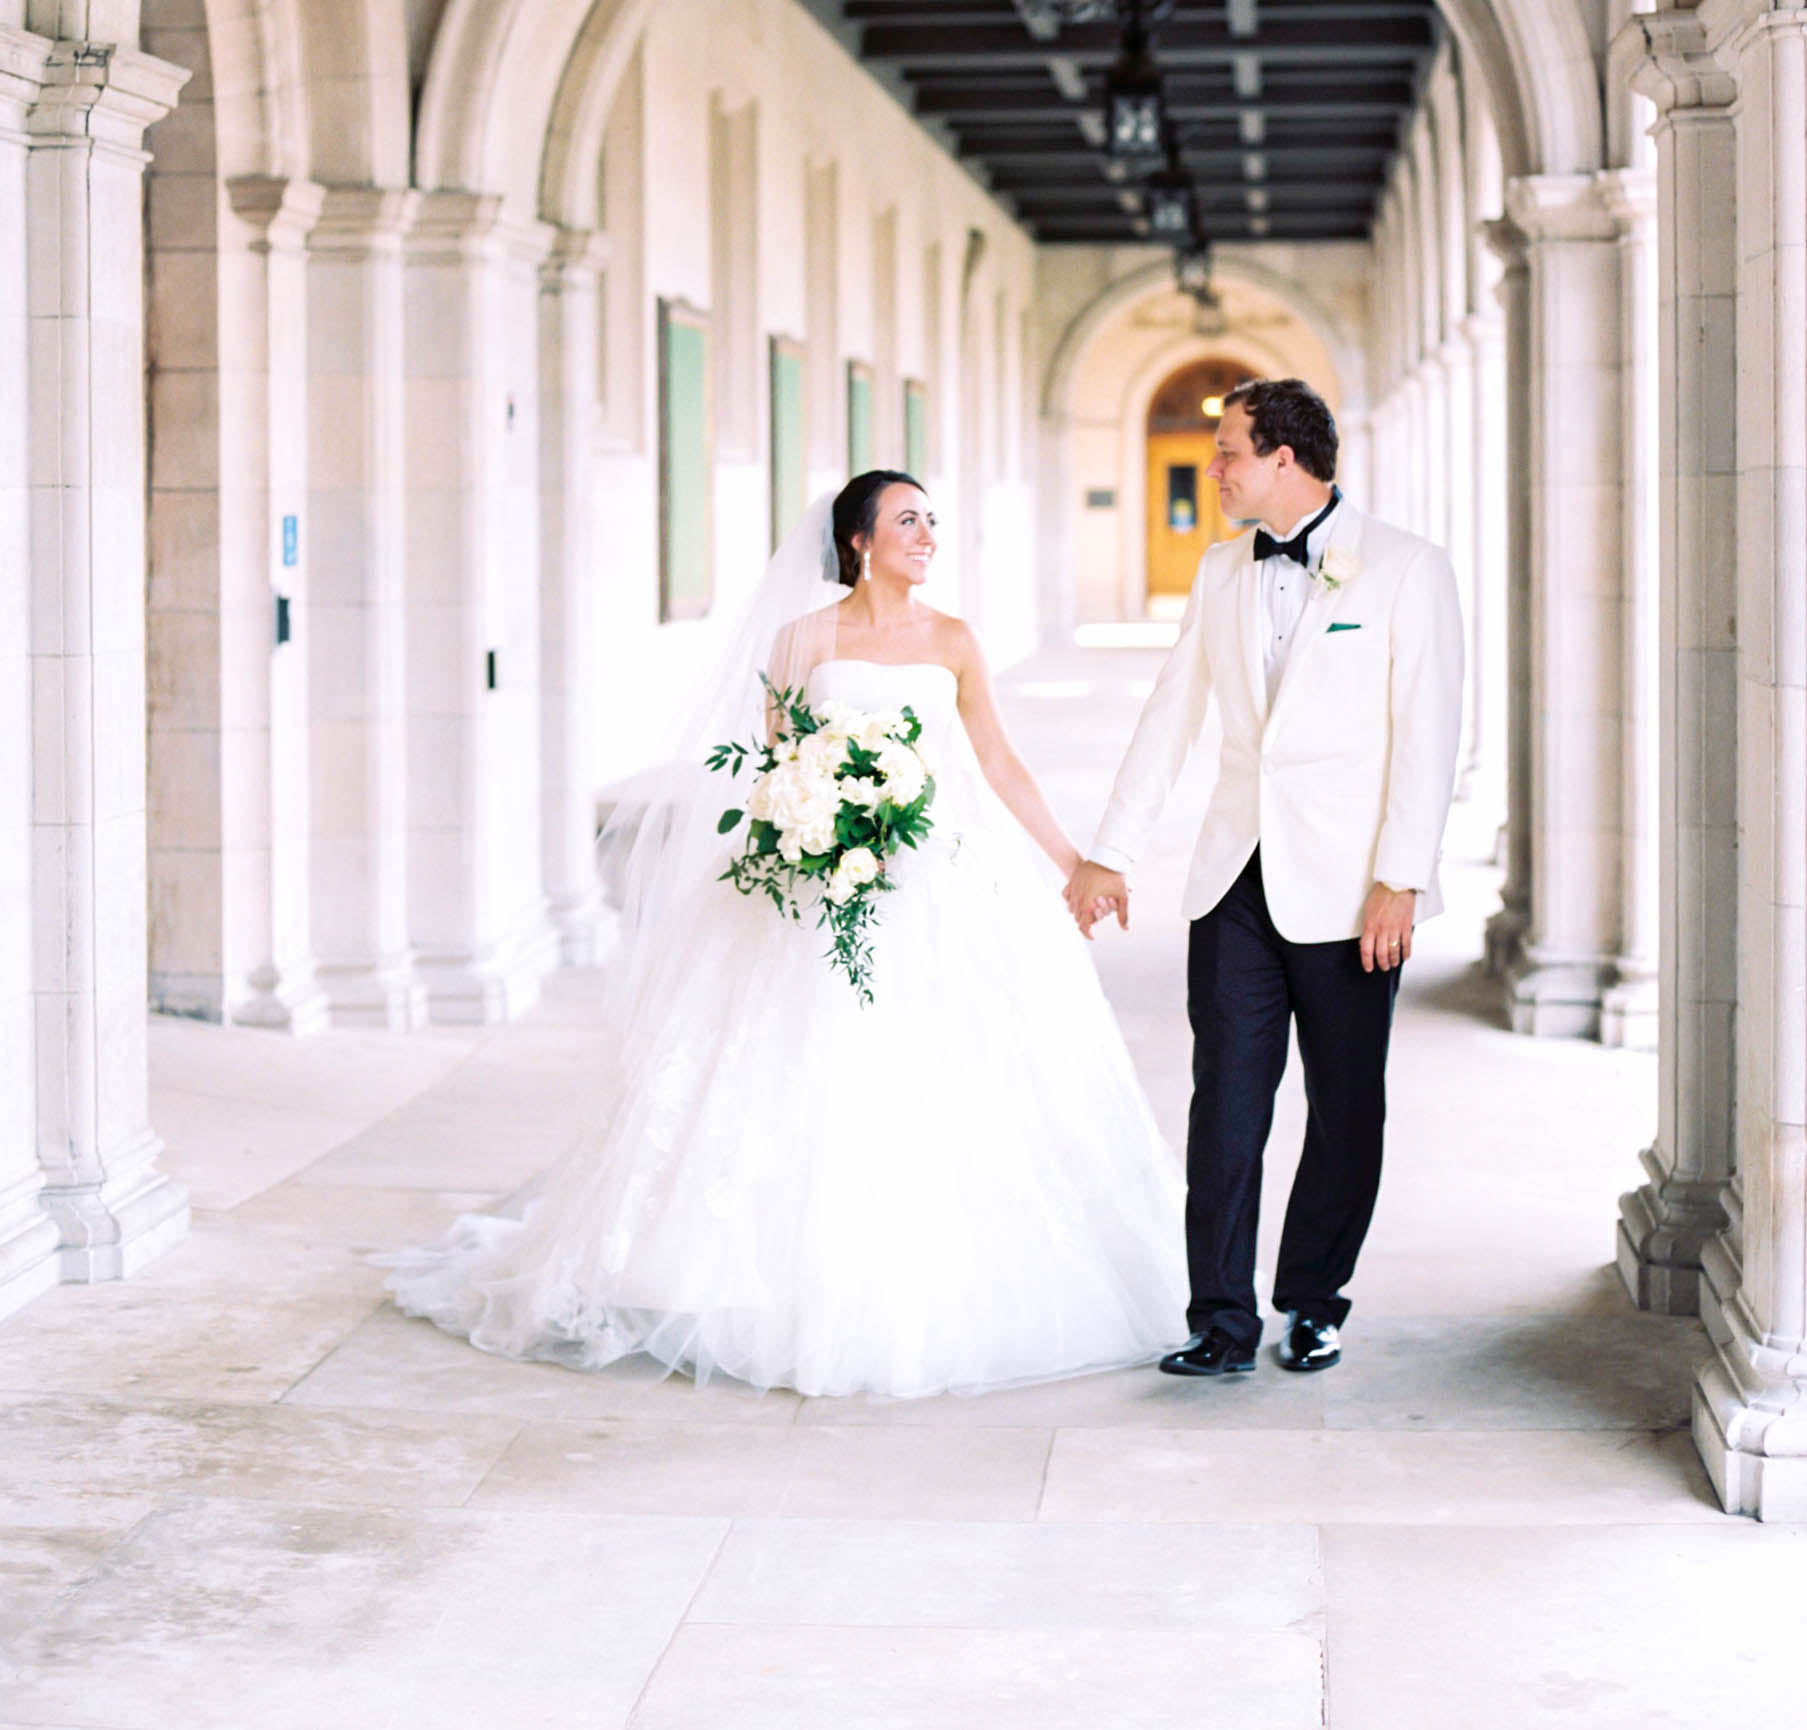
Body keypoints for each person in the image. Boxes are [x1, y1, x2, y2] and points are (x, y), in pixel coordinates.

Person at [386, 470, 1185, 1398]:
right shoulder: (801, 640)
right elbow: (774, 769)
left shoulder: (954, 639)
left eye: (931, 520)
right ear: (857, 540)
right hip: (819, 885)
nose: (926, 535)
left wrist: (1072, 859)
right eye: (906, 521)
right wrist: (814, 830)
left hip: (940, 877)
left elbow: (997, 761)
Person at [1066, 379, 1463, 1380]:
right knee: (1226, 1104)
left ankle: (1314, 1299)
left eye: (1230, 451)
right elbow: (1170, 714)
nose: (1215, 468)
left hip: (1351, 891)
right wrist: (1109, 849)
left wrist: (1400, 878)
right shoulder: (1217, 571)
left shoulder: (1408, 569)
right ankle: (1219, 1319)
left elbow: (1427, 736)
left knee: (1345, 1108)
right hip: (1232, 881)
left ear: (1285, 456)